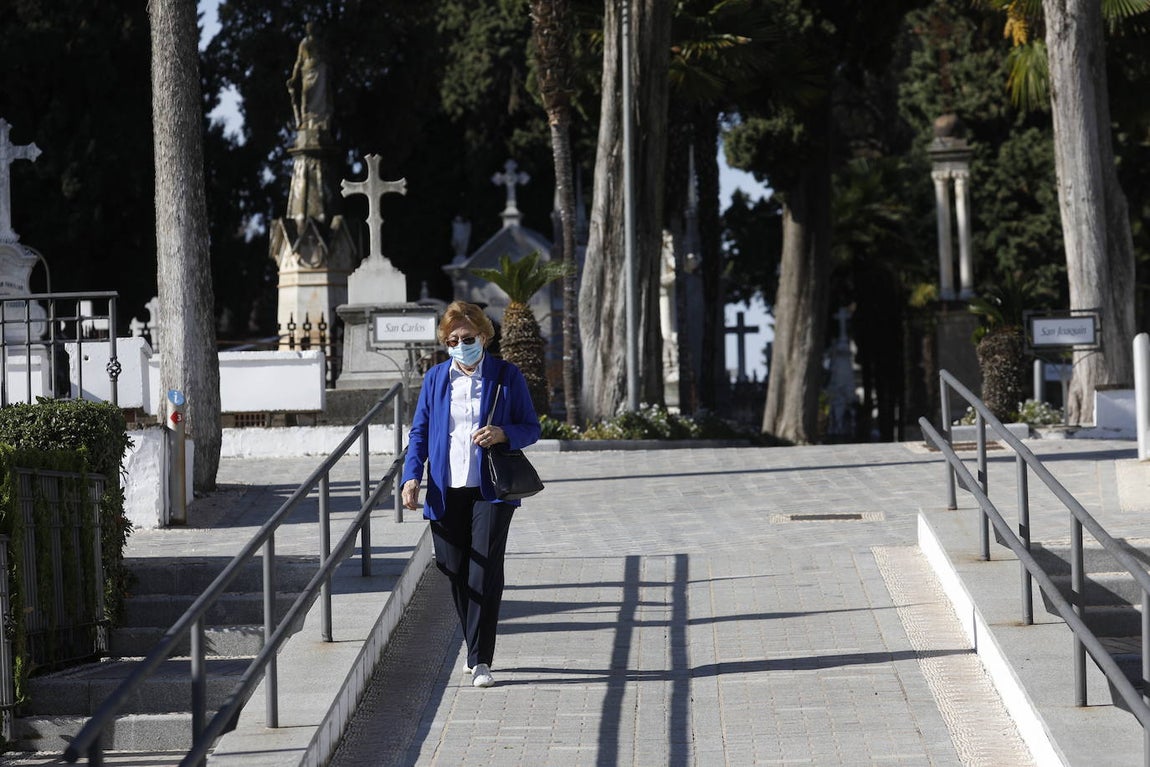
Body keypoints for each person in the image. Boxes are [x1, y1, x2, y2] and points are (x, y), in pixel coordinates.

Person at [401, 301, 541, 688]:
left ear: (483, 336)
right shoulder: (436, 379)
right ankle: (473, 641)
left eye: (467, 338)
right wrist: (411, 477)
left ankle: (480, 659)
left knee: (484, 570)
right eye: (452, 340)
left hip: (491, 490)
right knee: (453, 568)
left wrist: (503, 433)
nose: (460, 346)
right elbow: (419, 433)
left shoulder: (506, 376)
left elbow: (531, 427)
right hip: (446, 490)